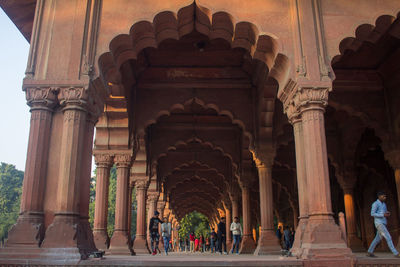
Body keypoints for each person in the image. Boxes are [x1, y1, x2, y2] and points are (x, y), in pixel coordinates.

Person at [367, 191, 400, 258]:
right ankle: (395, 253)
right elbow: (372, 213)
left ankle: (370, 251)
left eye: (385, 196)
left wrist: (386, 213)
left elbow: (384, 212)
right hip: (379, 223)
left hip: (383, 222)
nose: (385, 197)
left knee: (377, 239)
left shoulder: (384, 204)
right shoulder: (375, 204)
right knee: (388, 237)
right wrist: (382, 214)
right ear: (379, 196)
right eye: (383, 196)